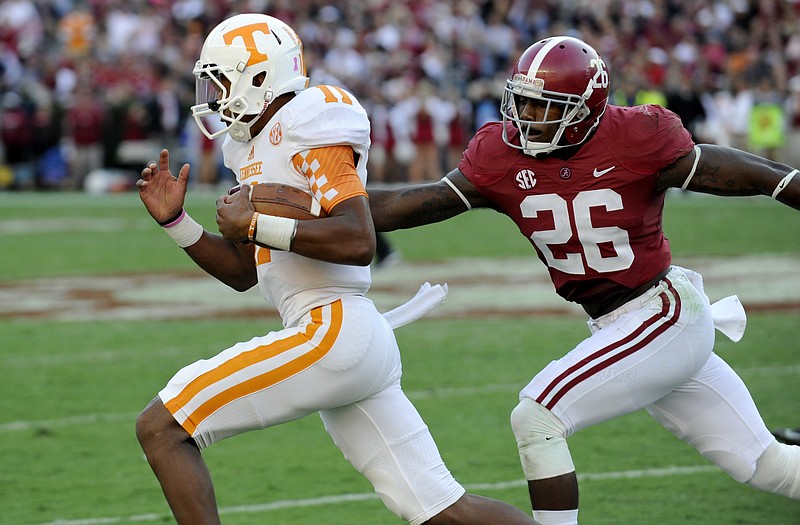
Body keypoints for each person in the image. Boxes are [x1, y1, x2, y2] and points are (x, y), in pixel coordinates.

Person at [368, 35, 800, 524]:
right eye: (522, 100)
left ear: (585, 110)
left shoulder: (637, 135)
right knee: (768, 466)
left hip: (662, 313)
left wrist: (789, 184)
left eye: (543, 106)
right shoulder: (499, 154)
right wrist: (326, 209)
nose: (525, 116)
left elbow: (761, 174)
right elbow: (409, 204)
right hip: (625, 327)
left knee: (537, 417)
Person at [134, 13, 536, 525]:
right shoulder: (249, 145)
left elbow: (358, 237)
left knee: (162, 426)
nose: (212, 95)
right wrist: (176, 222)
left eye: (220, 80)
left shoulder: (311, 117)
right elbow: (242, 271)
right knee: (445, 512)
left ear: (259, 76)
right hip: (345, 336)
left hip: (333, 330)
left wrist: (256, 223)